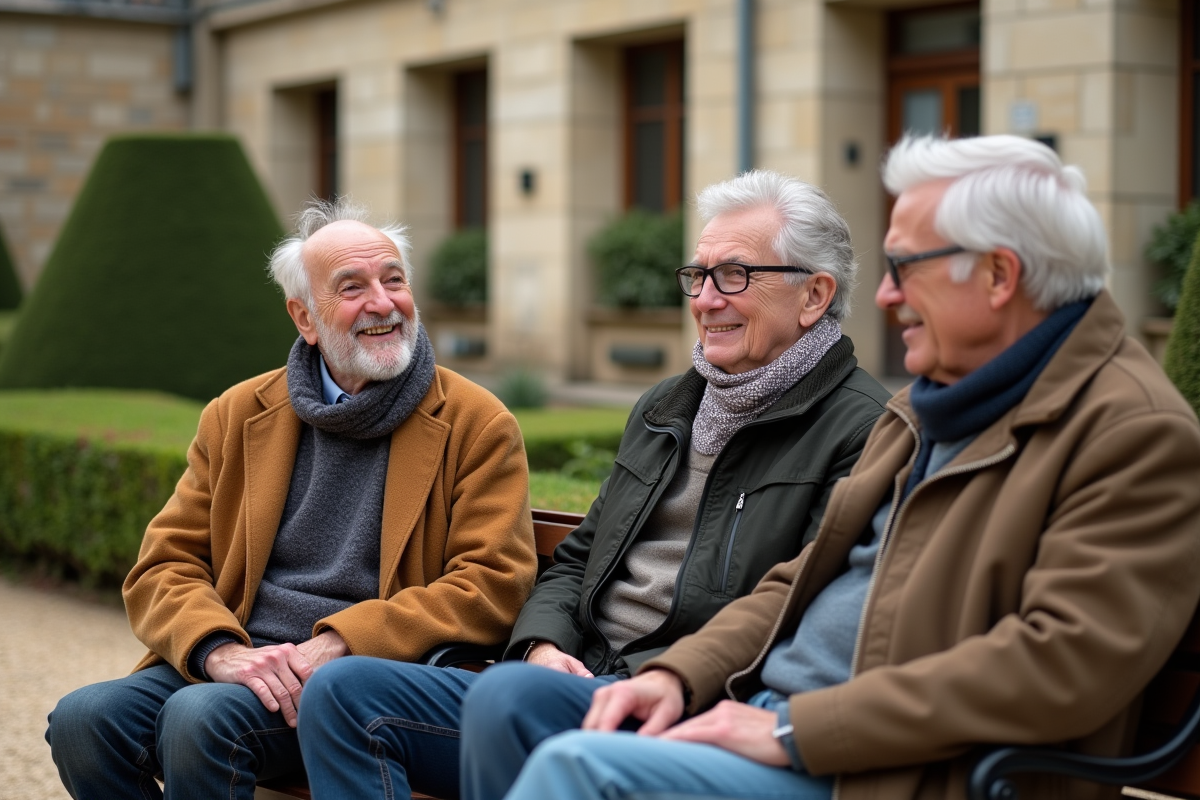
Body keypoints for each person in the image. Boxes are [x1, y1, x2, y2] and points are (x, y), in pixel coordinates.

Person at [490, 134, 1200, 800]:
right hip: (783, 721)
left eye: (905, 268)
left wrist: (799, 730)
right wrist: (681, 673)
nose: (886, 297)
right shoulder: (931, 408)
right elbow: (802, 577)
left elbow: (1060, 665)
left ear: (998, 275)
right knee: (513, 707)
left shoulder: (1136, 432)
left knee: (577, 767)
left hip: (893, 769)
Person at [295, 170, 891, 800]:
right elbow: (578, 558)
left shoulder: (862, 429)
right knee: (343, 692)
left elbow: (800, 610)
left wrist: (652, 678)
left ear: (814, 295)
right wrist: (543, 645)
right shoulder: (669, 406)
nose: (706, 299)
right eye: (698, 275)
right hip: (570, 679)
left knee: (507, 696)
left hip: (681, 704)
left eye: (735, 275)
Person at [44, 198, 538, 800]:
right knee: (83, 721)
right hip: (240, 658)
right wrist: (219, 649)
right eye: (352, 287)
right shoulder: (236, 415)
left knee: (200, 720)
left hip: (352, 681)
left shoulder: (475, 422)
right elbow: (162, 566)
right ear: (304, 317)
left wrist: (339, 643)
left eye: (394, 281)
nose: (382, 304)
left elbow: (491, 582)